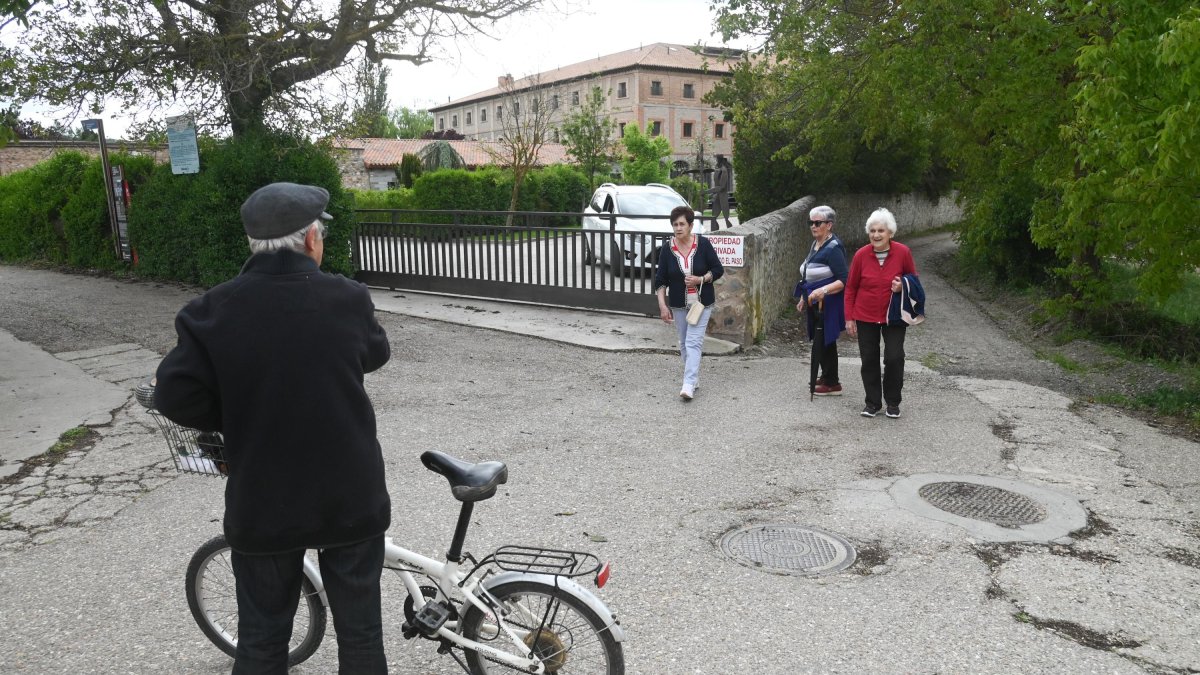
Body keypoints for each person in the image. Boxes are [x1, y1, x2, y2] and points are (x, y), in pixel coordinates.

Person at [154, 182, 392, 674]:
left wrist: (234, 412)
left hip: (263, 498)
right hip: (350, 493)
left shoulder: (211, 310)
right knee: (362, 637)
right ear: (311, 240)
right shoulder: (347, 298)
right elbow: (375, 354)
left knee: (261, 639)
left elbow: (174, 395)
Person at [844, 207, 918, 419]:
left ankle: (893, 403)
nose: (876, 235)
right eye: (872, 231)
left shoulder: (903, 252)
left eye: (881, 231)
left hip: (893, 315)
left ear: (890, 233)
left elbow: (914, 279)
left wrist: (902, 286)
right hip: (865, 314)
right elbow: (850, 288)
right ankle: (872, 403)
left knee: (894, 357)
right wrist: (849, 317)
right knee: (869, 359)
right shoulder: (860, 255)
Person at [655, 205, 724, 400]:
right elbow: (660, 280)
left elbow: (718, 270)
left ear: (691, 225)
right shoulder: (668, 250)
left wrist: (700, 279)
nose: (678, 228)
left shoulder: (703, 245)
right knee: (684, 343)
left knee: (693, 342)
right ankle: (693, 379)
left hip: (701, 304)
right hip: (678, 304)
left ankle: (688, 384)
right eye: (675, 224)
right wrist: (662, 305)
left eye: (682, 224)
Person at [795, 205, 848, 396]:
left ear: (829, 225)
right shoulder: (817, 244)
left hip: (828, 303)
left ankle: (833, 383)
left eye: (817, 223)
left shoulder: (834, 248)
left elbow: (843, 279)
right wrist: (804, 296)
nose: (813, 226)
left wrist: (822, 291)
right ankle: (826, 376)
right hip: (815, 301)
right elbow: (809, 273)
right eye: (811, 222)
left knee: (826, 340)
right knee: (820, 339)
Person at [706, 155, 733, 230]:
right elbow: (717, 185)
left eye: (717, 159)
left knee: (726, 218)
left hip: (723, 197)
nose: (716, 161)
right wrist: (712, 193)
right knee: (713, 217)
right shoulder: (719, 170)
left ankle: (730, 233)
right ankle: (714, 233)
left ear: (720, 160)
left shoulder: (724, 171)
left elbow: (721, 187)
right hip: (718, 196)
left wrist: (706, 192)